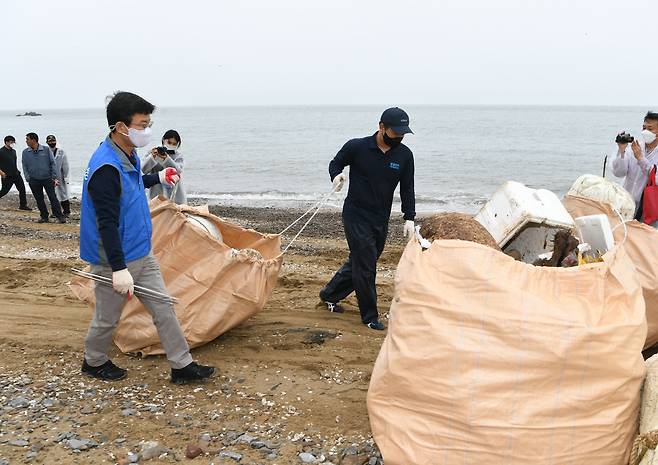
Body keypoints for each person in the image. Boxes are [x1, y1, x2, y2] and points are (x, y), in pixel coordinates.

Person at [79, 91, 214, 383]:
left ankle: (182, 365)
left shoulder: (125, 153)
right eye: (142, 124)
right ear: (120, 126)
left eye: (149, 123)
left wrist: (158, 178)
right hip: (113, 259)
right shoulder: (105, 167)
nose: (147, 131)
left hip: (140, 251)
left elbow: (131, 183)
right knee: (108, 317)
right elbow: (106, 224)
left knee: (163, 308)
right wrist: (117, 269)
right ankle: (94, 361)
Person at [319, 107, 416, 331]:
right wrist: (336, 176)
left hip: (380, 218)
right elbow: (335, 163)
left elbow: (407, 188)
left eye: (403, 133)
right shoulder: (357, 147)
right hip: (356, 214)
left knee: (360, 261)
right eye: (395, 132)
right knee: (366, 265)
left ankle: (330, 294)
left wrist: (409, 217)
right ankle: (370, 316)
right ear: (381, 127)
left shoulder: (404, 155)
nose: (399, 137)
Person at [612, 111, 658, 226]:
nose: (645, 131)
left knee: (645, 241)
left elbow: (656, 179)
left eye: (650, 129)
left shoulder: (639, 152)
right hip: (626, 204)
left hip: (649, 209)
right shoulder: (635, 147)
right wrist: (621, 151)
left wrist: (641, 160)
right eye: (644, 127)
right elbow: (619, 173)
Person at [22, 133, 65, 223]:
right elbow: (24, 165)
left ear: (34, 140)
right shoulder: (25, 152)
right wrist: (28, 178)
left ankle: (60, 216)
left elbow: (53, 163)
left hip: (47, 179)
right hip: (34, 180)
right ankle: (44, 216)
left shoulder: (46, 149)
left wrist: (54, 176)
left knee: (53, 198)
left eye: (27, 139)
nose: (26, 141)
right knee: (39, 199)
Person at [142, 129, 187, 204]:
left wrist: (166, 159)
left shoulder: (178, 156)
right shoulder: (153, 152)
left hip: (175, 195)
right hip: (156, 195)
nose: (171, 145)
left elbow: (178, 171)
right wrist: (152, 157)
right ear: (163, 140)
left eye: (174, 144)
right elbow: (142, 170)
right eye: (169, 142)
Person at [0, 135, 31, 210]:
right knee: (4, 191)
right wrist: (1, 172)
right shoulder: (1, 151)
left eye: (14, 142)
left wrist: (17, 170)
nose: (13, 143)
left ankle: (23, 205)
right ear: (6, 142)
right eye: (11, 142)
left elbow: (14, 162)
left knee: (22, 189)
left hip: (16, 174)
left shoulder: (14, 151)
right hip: (6, 175)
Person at [46, 134, 71, 218]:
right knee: (52, 194)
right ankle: (55, 212)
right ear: (47, 142)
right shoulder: (46, 151)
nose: (52, 142)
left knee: (63, 193)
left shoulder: (61, 152)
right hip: (49, 176)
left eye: (53, 141)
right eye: (50, 141)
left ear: (56, 141)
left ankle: (66, 211)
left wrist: (66, 176)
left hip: (60, 175)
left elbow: (65, 165)